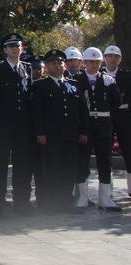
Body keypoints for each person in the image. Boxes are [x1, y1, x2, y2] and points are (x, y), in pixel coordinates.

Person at [31, 50, 88, 213]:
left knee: (68, 169)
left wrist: (84, 131)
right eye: (53, 63)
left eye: (60, 62)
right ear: (47, 66)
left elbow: (82, 110)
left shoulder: (74, 85)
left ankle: (66, 202)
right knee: (51, 169)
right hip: (50, 136)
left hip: (70, 135)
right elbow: (37, 112)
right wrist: (40, 132)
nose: (57, 65)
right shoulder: (40, 86)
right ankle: (50, 202)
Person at [0, 33, 35, 214]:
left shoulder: (27, 68)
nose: (16, 49)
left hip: (22, 126)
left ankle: (21, 200)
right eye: (11, 46)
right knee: (1, 165)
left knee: (21, 164)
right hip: (4, 126)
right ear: (5, 50)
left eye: (18, 46)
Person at [74, 47, 121, 211]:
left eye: (96, 62)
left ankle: (105, 198)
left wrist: (107, 116)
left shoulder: (108, 80)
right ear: (85, 62)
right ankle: (82, 196)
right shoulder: (77, 79)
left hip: (103, 123)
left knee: (105, 160)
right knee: (82, 160)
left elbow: (116, 102)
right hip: (85, 125)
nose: (93, 65)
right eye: (90, 62)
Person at [103, 45, 131, 196]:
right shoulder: (99, 74)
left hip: (124, 117)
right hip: (106, 117)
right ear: (105, 58)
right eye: (110, 56)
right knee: (105, 152)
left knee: (128, 150)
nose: (113, 59)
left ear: (120, 59)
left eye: (116, 57)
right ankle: (108, 189)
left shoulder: (127, 76)